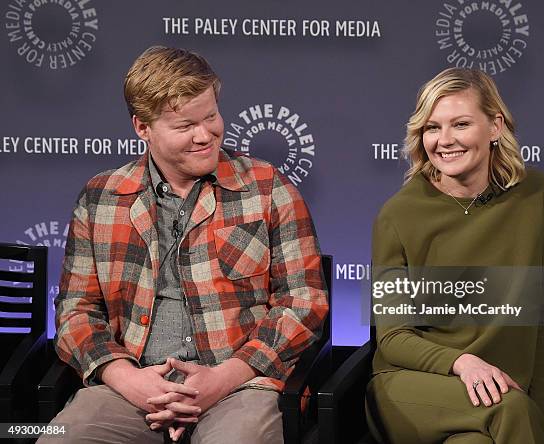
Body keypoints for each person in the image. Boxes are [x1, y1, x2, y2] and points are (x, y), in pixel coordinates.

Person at [38, 46, 328, 444]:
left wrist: (226, 376)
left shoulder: (266, 188)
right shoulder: (101, 198)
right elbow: (76, 311)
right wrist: (125, 377)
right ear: (143, 127)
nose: (205, 134)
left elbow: (303, 302)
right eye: (185, 125)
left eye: (211, 116)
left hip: (238, 385)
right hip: (134, 386)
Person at [366, 68, 544, 444]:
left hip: (500, 395)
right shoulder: (398, 214)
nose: (444, 140)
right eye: (432, 127)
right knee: (511, 410)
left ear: (495, 127)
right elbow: (392, 338)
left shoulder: (534, 194)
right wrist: (463, 362)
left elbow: (543, 313)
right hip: (413, 388)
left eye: (460, 124)